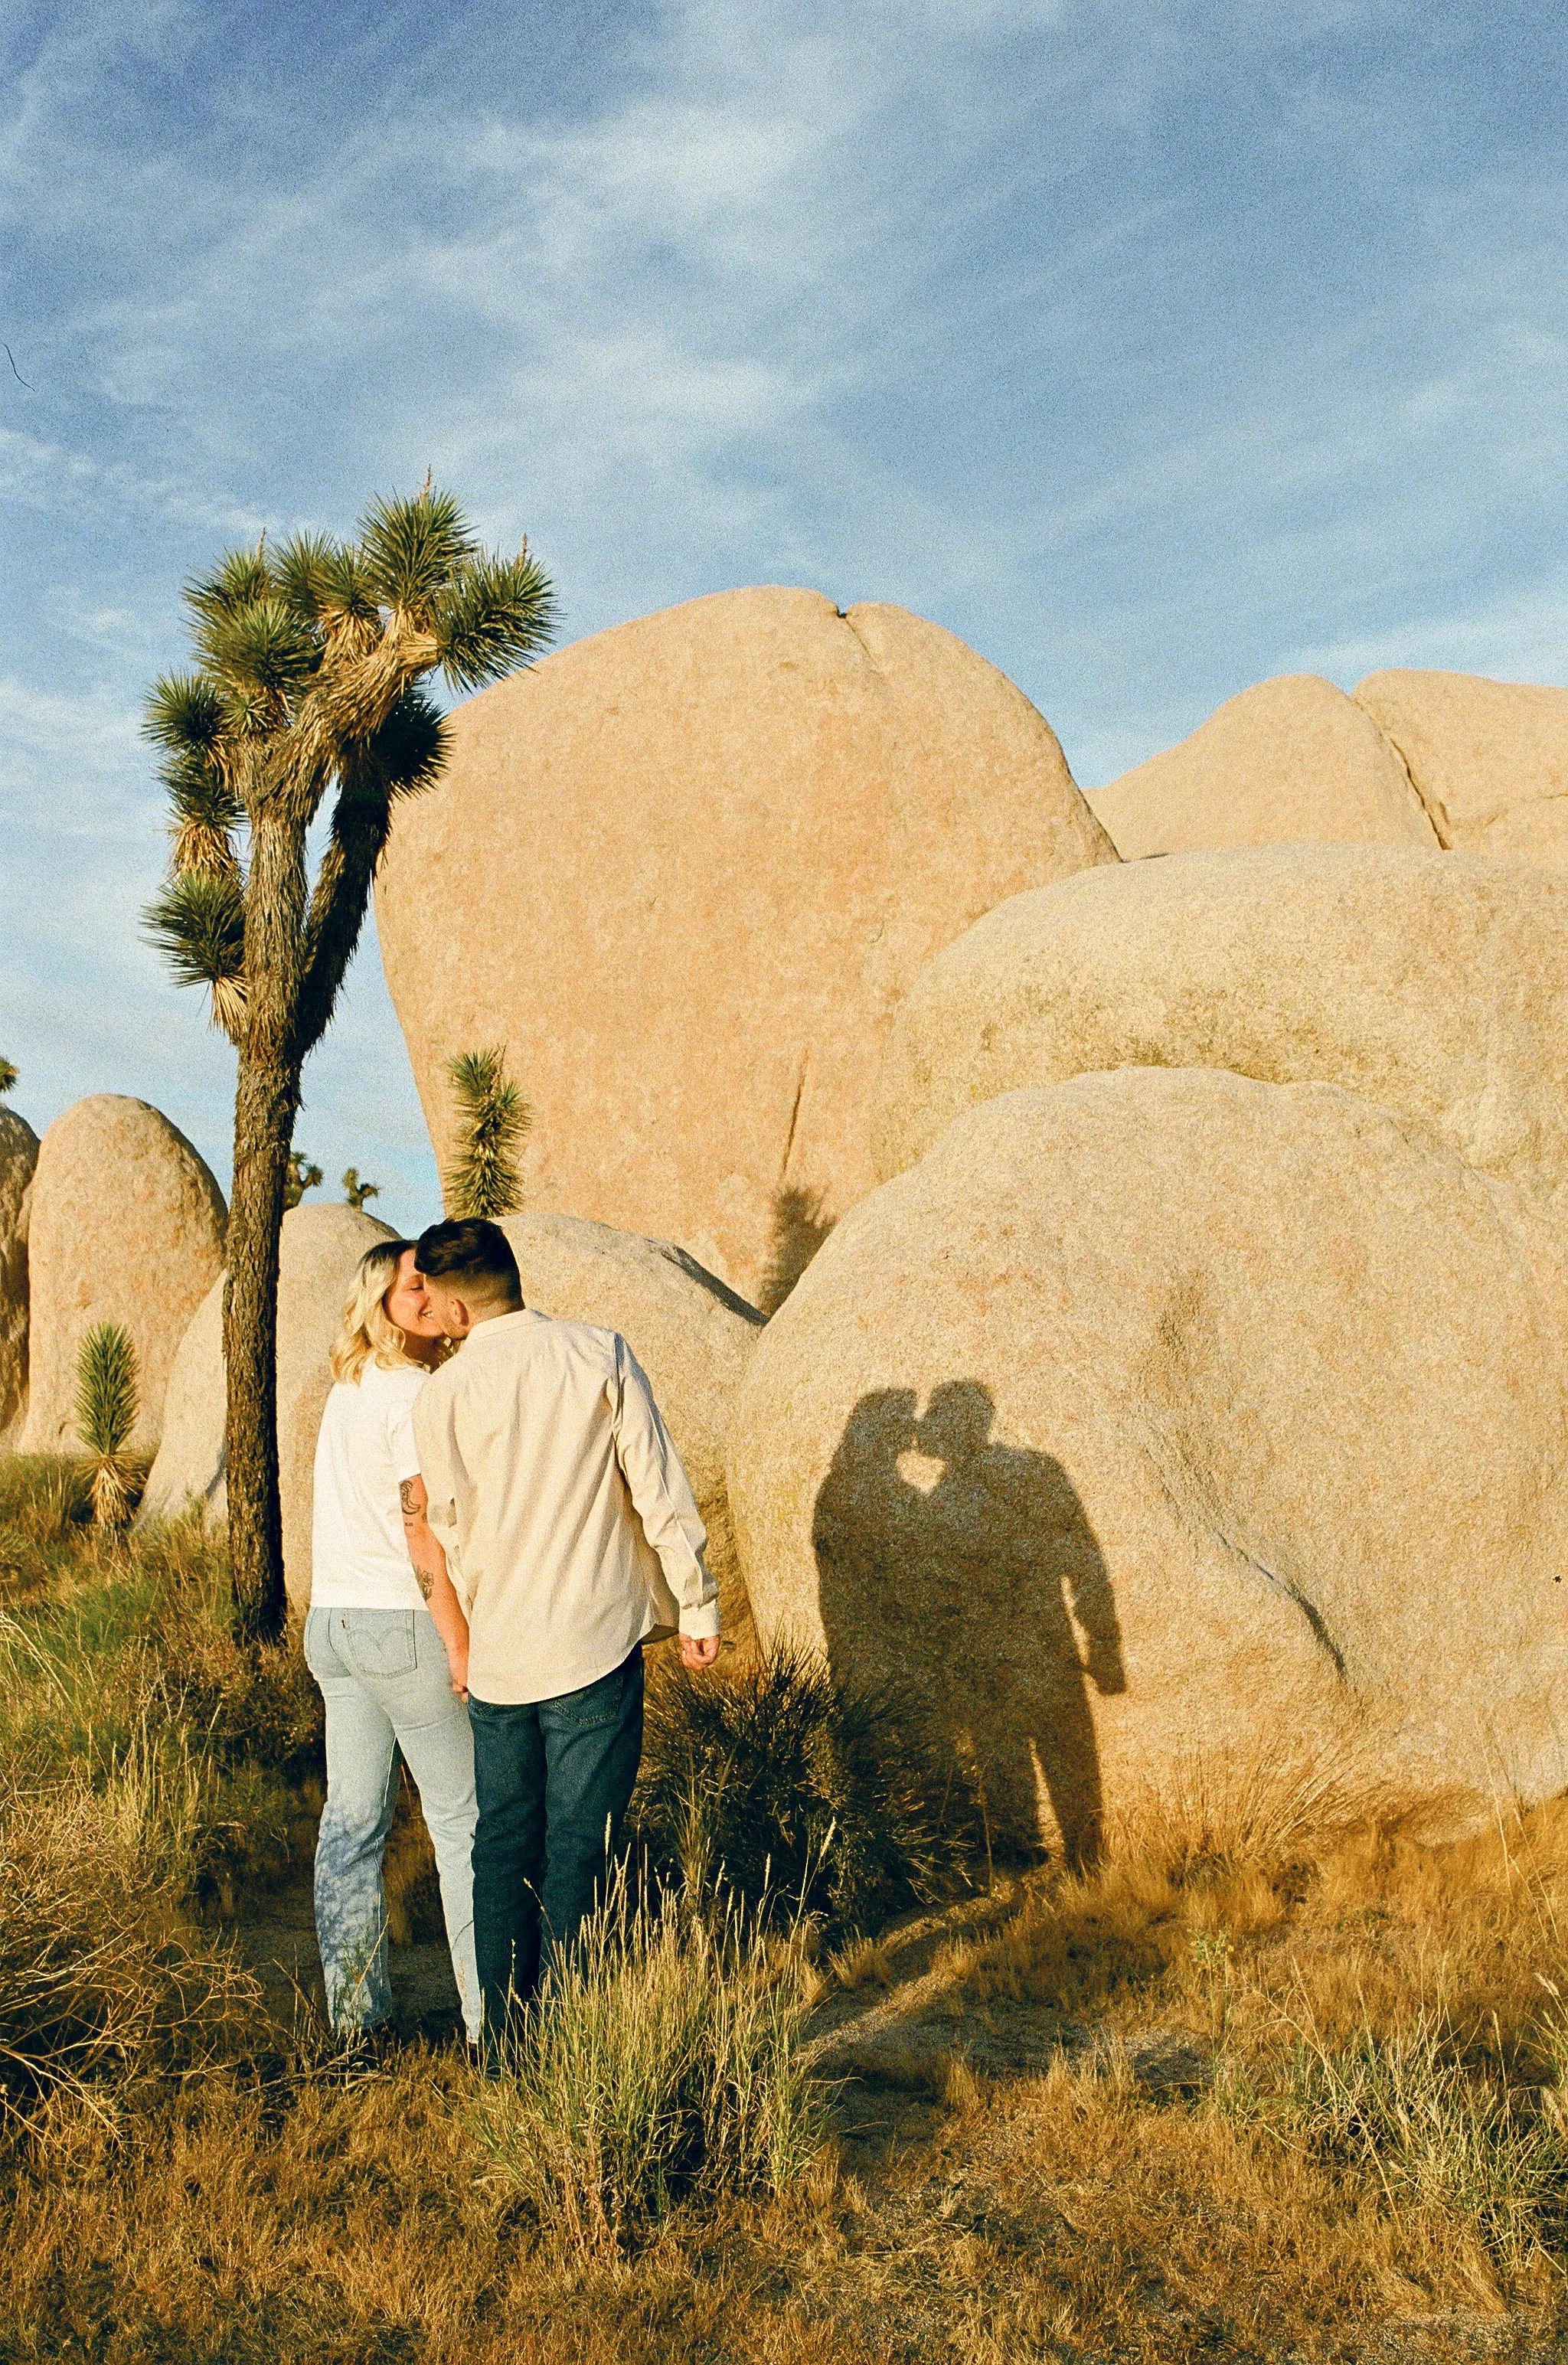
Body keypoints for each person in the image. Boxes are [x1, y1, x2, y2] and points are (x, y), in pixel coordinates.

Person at [407, 1217, 721, 2057]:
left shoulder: (442, 1395)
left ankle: (507, 2045)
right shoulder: (599, 1353)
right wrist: (696, 1603)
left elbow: (449, 1524)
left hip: (504, 1652)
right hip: (593, 1640)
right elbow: (657, 1483)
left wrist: (476, 1619)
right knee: (582, 1847)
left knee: (501, 1843)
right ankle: (573, 2044)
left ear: (460, 1312)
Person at [304, 1240, 481, 2047]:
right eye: (413, 1283)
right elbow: (420, 1524)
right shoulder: (411, 1391)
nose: (427, 1291)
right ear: (379, 1301)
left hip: (332, 1625)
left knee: (351, 1826)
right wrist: (456, 1636)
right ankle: (495, 2023)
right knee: (463, 1823)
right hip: (398, 1626)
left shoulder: (349, 1387)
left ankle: (356, 2022)